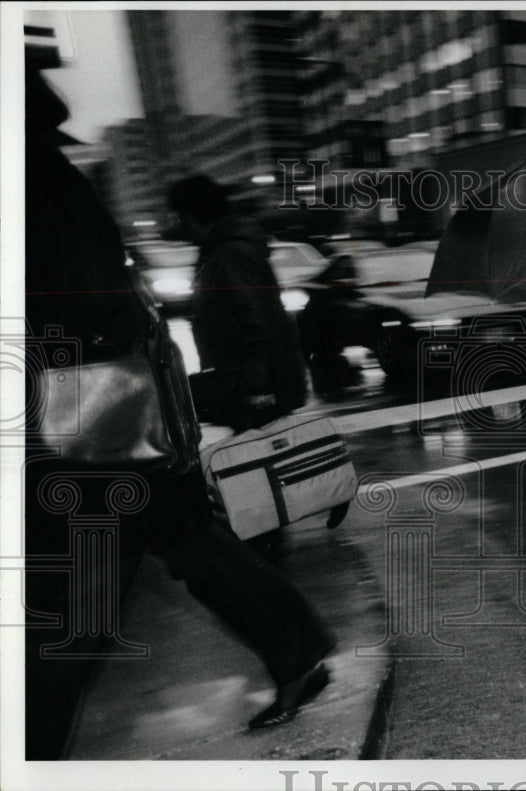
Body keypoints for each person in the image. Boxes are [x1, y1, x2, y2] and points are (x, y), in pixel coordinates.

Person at [24, 68, 333, 758]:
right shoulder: (47, 177)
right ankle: (297, 646)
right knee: (179, 538)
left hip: (88, 404)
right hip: (97, 399)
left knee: (78, 590)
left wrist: (250, 387)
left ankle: (29, 749)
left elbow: (84, 306)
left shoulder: (36, 182)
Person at [166, 174, 307, 432]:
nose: (179, 224)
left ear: (194, 213)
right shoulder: (218, 250)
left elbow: (256, 320)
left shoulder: (230, 253)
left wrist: (258, 388)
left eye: (180, 216)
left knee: (264, 456)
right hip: (244, 380)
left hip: (256, 386)